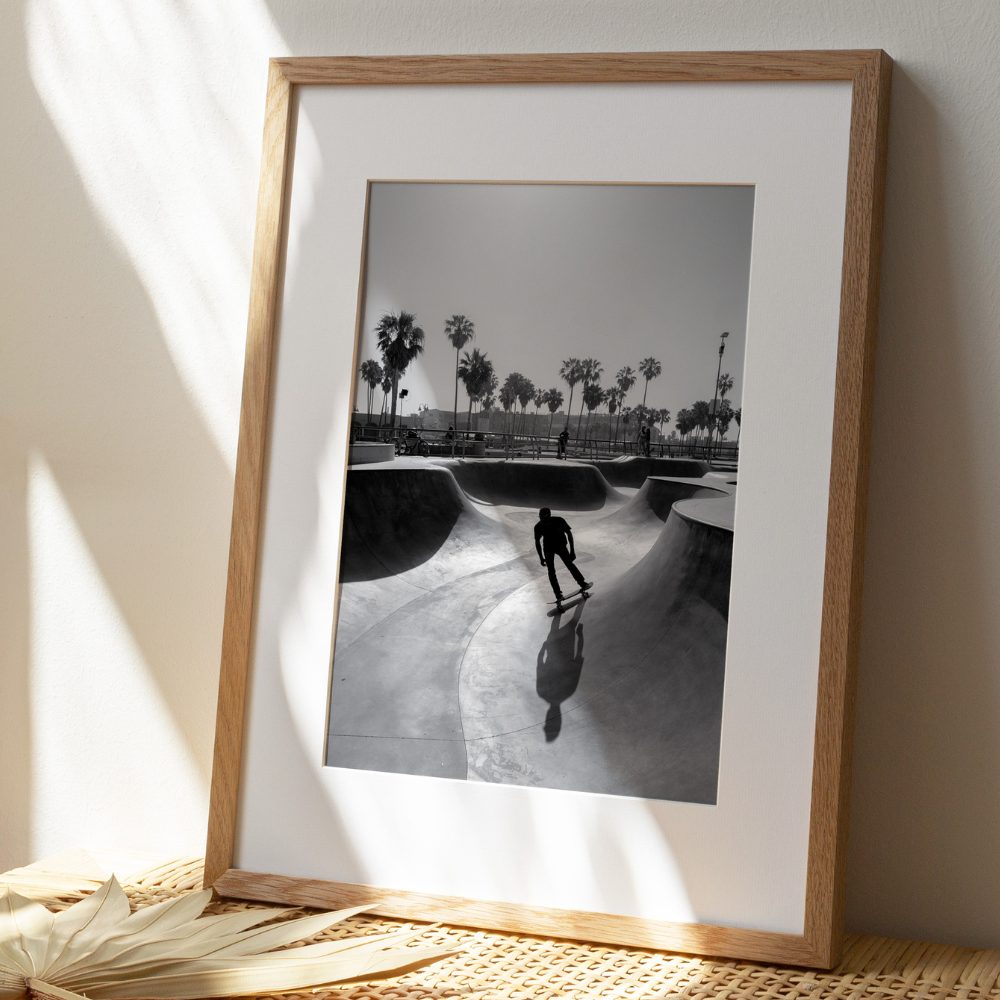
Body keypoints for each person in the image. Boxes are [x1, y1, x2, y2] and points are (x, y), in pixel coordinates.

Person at [534, 507, 591, 603]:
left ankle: (582, 583)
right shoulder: (538, 527)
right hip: (548, 548)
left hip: (560, 545)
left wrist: (572, 551)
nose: (542, 520)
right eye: (540, 517)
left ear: (549, 516)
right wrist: (541, 557)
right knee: (551, 571)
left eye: (543, 517)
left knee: (569, 565)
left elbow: (569, 533)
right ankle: (558, 594)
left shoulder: (559, 521)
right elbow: (537, 542)